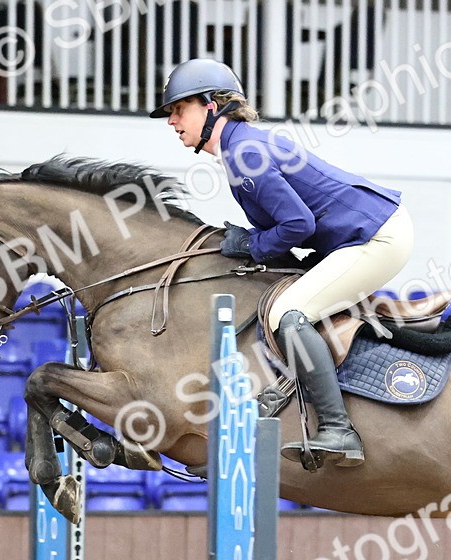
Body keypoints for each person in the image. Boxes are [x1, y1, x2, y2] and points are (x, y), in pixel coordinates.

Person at [150, 58, 414, 468]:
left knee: (289, 315)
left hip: (377, 237)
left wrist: (253, 244)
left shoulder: (243, 152)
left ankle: (339, 430)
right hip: (359, 234)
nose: (171, 121)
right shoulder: (240, 147)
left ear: (211, 105)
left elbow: (297, 223)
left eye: (178, 109)